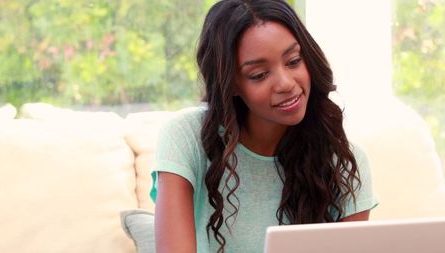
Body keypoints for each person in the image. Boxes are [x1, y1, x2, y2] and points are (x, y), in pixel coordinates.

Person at [150, 0, 379, 252]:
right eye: (259, 75)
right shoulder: (185, 137)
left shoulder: (345, 162)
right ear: (231, 84)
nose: (286, 84)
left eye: (293, 61)